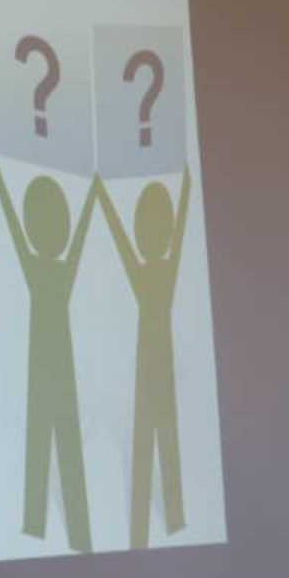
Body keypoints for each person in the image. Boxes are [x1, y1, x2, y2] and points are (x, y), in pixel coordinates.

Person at [0, 145, 98, 553]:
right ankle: (64, 528)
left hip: (49, 365)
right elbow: (74, 237)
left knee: (48, 443)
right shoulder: (56, 269)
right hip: (53, 364)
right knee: (59, 443)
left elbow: (17, 226)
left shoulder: (40, 268)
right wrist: (92, 196)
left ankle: (42, 525)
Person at [94, 168, 191, 550]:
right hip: (154, 366)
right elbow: (133, 240)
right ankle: (163, 523)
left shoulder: (155, 272)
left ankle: (150, 527)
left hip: (154, 367)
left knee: (153, 445)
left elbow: (125, 241)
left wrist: (104, 199)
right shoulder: (162, 271)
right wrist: (185, 191)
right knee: (159, 444)